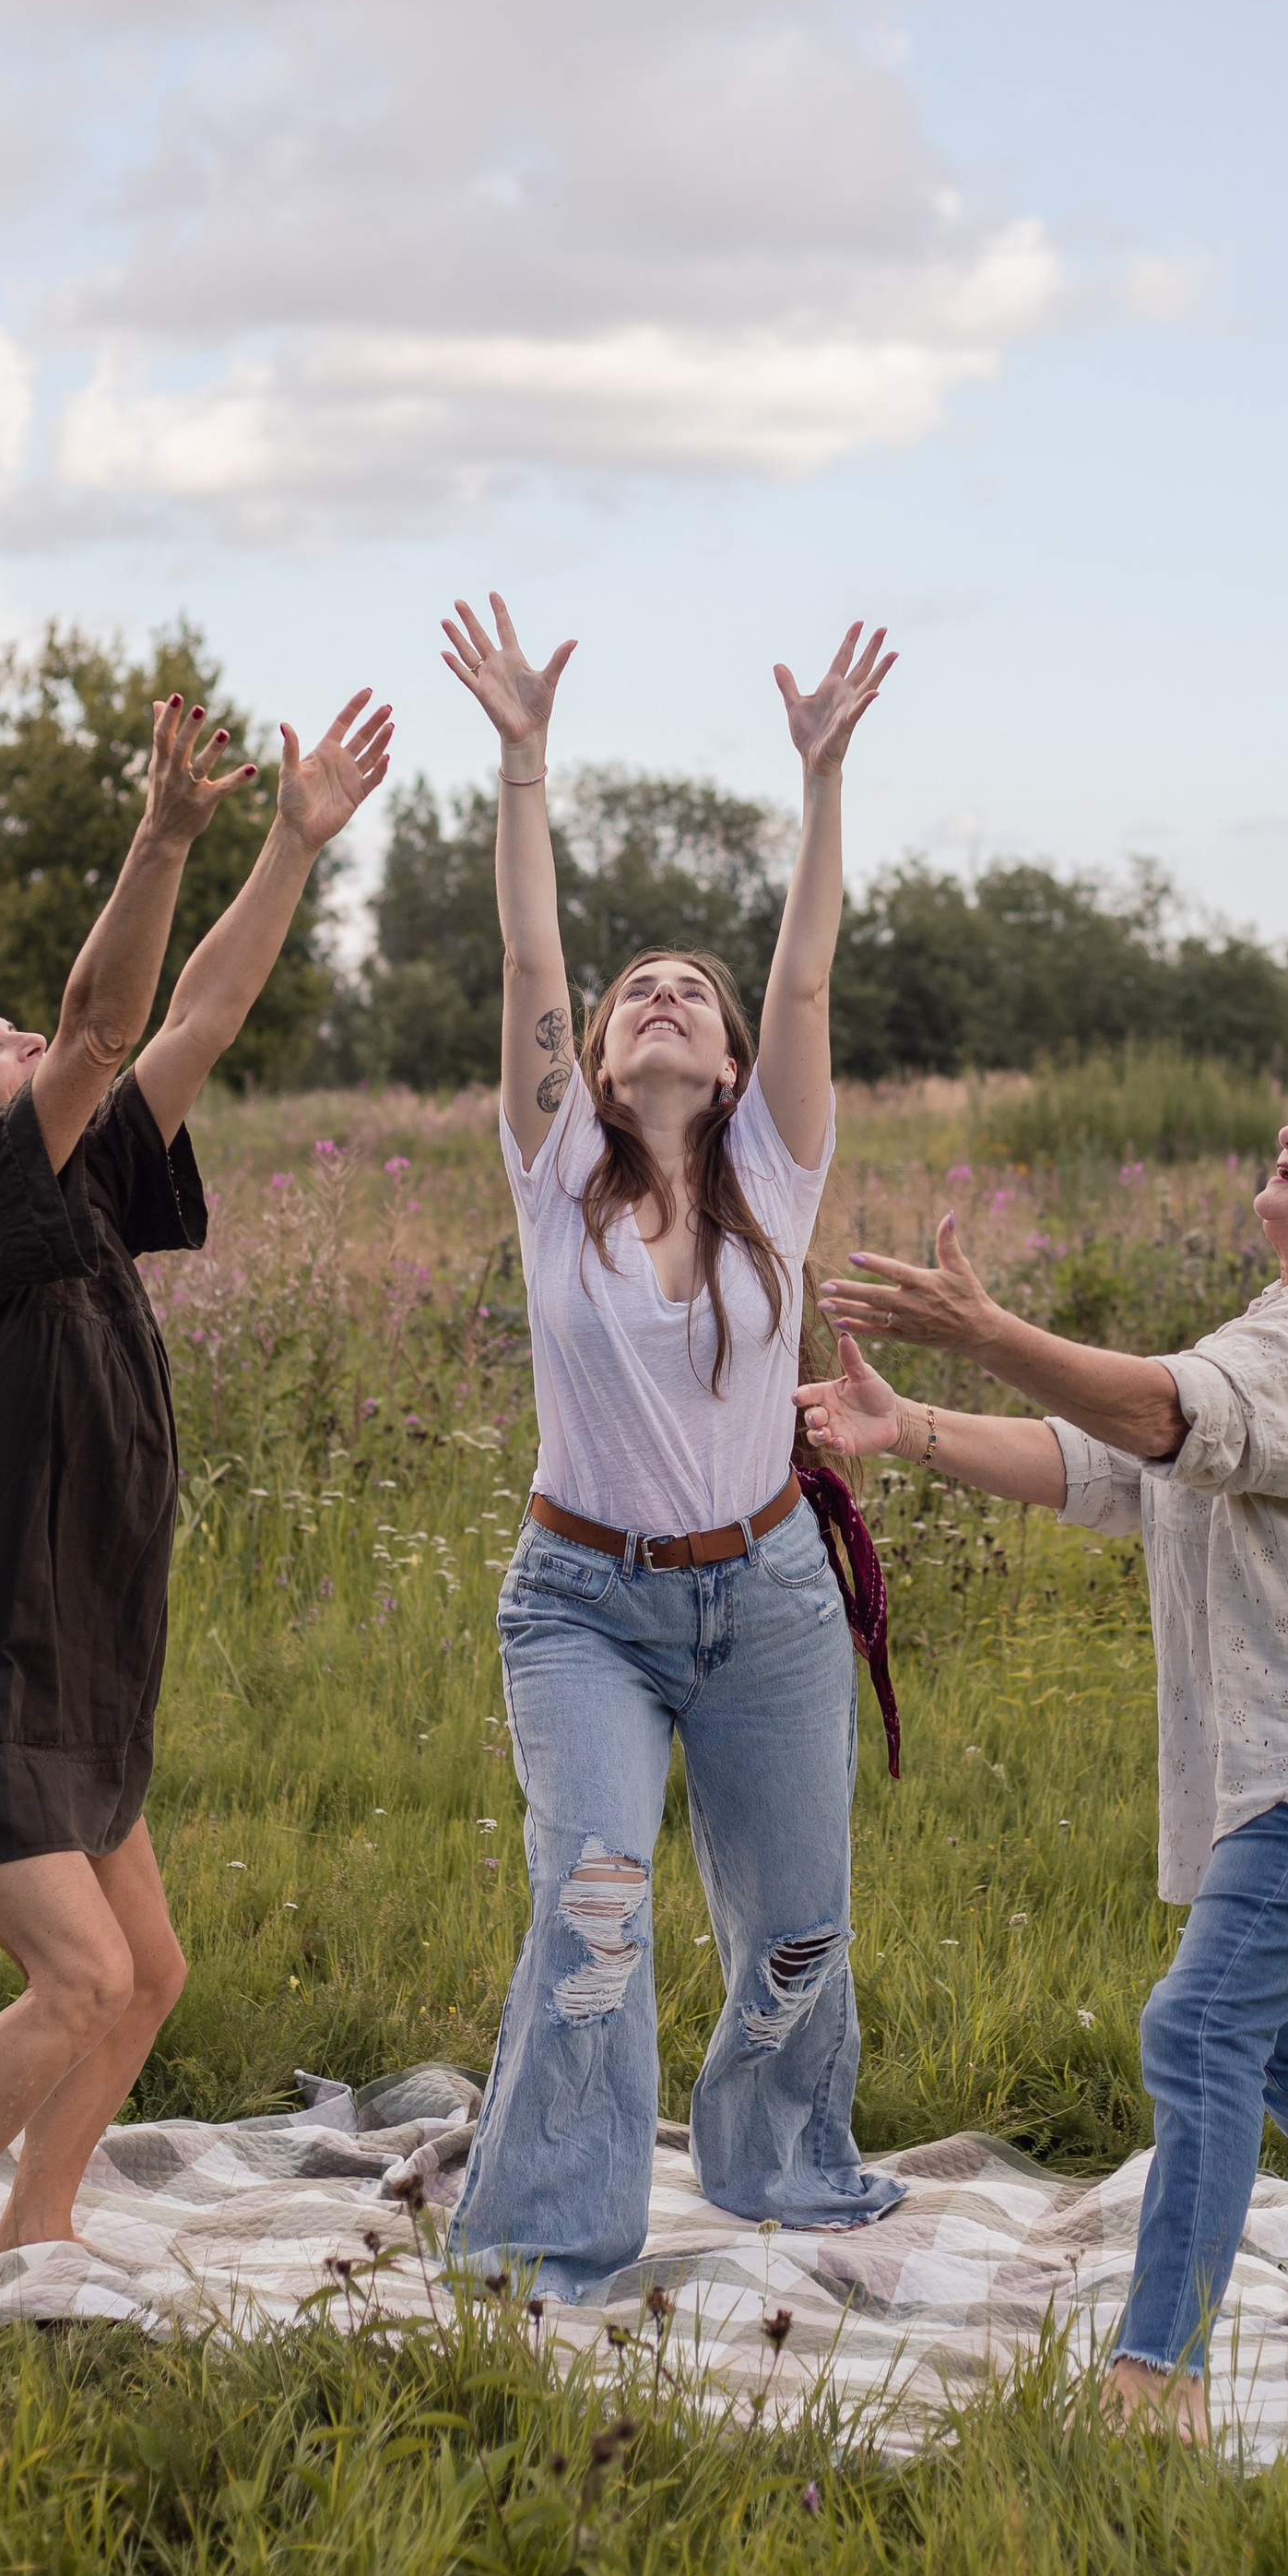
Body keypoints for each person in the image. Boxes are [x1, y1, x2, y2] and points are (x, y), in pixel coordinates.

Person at [798, 1072, 1288, 2436]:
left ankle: (1155, 2383)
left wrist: (988, 1329)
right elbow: (1120, 1463)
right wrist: (914, 1429)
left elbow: (1169, 1419)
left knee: (1201, 2025)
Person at [0, 682, 392, 2310]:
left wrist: (289, 843)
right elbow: (101, 1024)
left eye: (4, 1025)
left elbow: (192, 1022)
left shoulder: (80, 1194)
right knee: (77, 1976)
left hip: (61, 1678)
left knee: (150, 1973)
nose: (21, 1043)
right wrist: (160, 833)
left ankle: (38, 2236)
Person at [439, 590, 905, 2297]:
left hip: (770, 1600)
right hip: (584, 1604)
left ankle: (780, 2165)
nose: (656, 1001)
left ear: (723, 1063)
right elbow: (529, 965)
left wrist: (823, 777)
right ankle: (555, 2229)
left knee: (796, 1925)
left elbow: (806, 965)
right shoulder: (557, 1169)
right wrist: (522, 764)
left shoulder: (773, 1170)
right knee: (598, 1905)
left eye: (684, 996)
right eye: (639, 990)